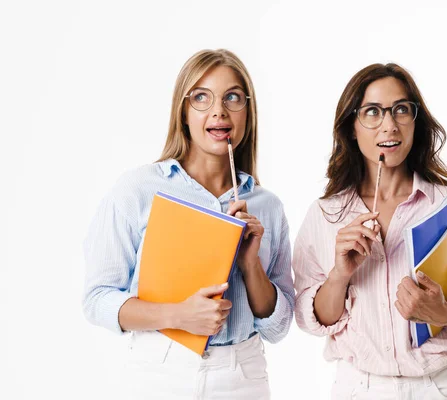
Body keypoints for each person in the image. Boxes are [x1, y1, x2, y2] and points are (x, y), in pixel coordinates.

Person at [83, 49, 294, 400]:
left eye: (232, 97)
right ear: (183, 112)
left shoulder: (267, 206)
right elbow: (97, 299)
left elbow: (278, 327)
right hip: (159, 372)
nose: (219, 111)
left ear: (248, 110)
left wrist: (250, 264)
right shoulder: (138, 189)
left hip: (243, 377)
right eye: (201, 97)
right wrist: (178, 315)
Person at [293, 63, 447, 399]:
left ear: (415, 122)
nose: (389, 125)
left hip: (444, 387)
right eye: (373, 112)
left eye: (401, 110)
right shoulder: (325, 214)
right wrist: (339, 275)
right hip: (360, 388)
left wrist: (444, 313)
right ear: (351, 127)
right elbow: (312, 318)